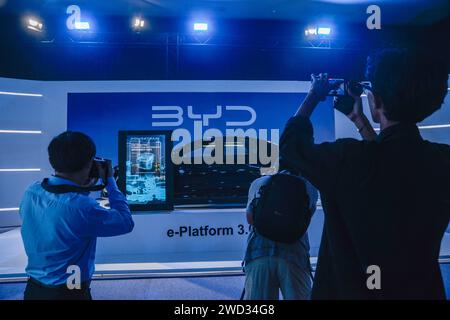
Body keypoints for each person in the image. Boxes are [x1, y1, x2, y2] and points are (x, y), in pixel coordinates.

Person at [279, 48, 450, 299]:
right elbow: (390, 163)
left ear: (377, 101)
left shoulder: (346, 159)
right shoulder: (443, 161)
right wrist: (359, 120)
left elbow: (291, 147)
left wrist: (314, 95)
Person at [20, 131, 134, 300]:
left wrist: (82, 186)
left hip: (33, 290)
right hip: (69, 294)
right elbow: (125, 222)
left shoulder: (32, 191)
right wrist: (110, 182)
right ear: (89, 163)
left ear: (52, 159)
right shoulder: (83, 207)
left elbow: (66, 216)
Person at [243, 166, 318, 300]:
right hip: (294, 256)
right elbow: (305, 223)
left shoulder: (259, 183)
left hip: (259, 253)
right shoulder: (309, 188)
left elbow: (250, 219)